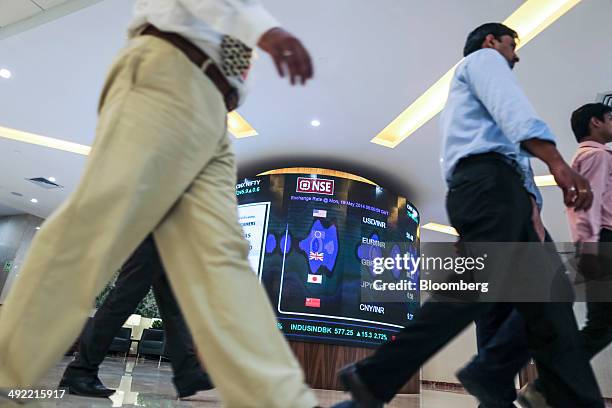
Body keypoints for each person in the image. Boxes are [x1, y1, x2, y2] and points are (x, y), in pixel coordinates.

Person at [0, 1, 318, 407]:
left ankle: (282, 400)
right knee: (96, 225)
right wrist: (266, 31)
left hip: (214, 114)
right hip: (172, 74)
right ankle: (9, 372)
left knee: (222, 256)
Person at [331, 23, 604, 408]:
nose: (516, 54)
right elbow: (514, 112)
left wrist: (529, 213)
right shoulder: (482, 59)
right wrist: (557, 163)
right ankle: (376, 375)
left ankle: (493, 374)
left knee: (553, 299)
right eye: (513, 44)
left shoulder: (476, 102)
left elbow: (505, 147)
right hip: (489, 184)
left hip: (499, 192)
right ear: (492, 41)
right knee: (481, 285)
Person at [60, 236, 213, 399]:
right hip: (153, 233)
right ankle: (80, 371)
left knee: (172, 305)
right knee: (123, 298)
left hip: (167, 236)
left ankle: (188, 374)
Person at [568, 102, 612, 358]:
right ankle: (546, 386)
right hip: (603, 242)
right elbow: (587, 206)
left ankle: (548, 386)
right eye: (610, 117)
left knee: (602, 324)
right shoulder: (596, 157)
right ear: (595, 122)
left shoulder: (590, 156)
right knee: (601, 324)